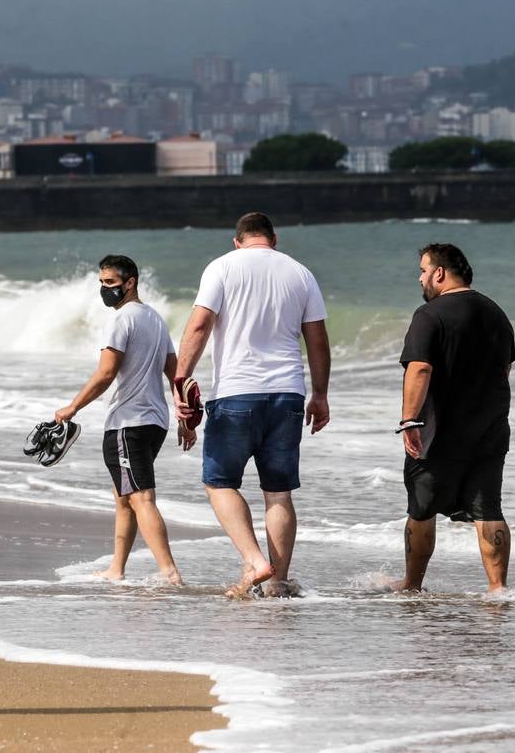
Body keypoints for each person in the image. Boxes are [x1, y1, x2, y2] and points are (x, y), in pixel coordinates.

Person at [174, 212, 330, 599]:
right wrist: (320, 394)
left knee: (219, 482)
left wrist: (181, 383)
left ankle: (255, 560)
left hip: (236, 393)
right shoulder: (300, 273)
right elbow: (318, 341)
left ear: (237, 241)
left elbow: (198, 326)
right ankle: (277, 582)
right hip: (288, 395)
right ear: (274, 239)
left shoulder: (222, 267)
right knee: (278, 492)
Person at [55, 255, 185, 586]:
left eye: (110, 283)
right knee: (123, 496)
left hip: (128, 421)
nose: (104, 289)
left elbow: (106, 373)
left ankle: (169, 572)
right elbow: (176, 374)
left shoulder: (121, 319)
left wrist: (72, 407)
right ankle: (117, 568)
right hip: (155, 421)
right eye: (101, 283)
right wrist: (184, 415)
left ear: (130, 283)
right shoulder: (156, 319)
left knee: (140, 498)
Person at [394, 242, 514, 594]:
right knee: (488, 508)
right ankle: (498, 588)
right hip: (490, 429)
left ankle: (412, 584)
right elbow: (503, 371)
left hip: (439, 431)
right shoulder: (496, 313)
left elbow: (419, 369)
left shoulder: (430, 315)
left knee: (422, 508)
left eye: (422, 270)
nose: (420, 278)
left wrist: (409, 421)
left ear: (440, 273)